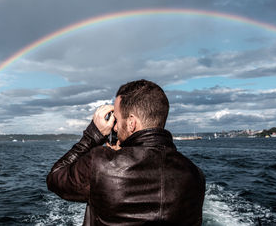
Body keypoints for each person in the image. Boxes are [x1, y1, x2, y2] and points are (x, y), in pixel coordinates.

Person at [46, 79, 205, 225]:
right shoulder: (196, 175)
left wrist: (92, 135)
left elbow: (55, 177)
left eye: (117, 119)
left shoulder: (101, 163)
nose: (114, 127)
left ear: (131, 123)